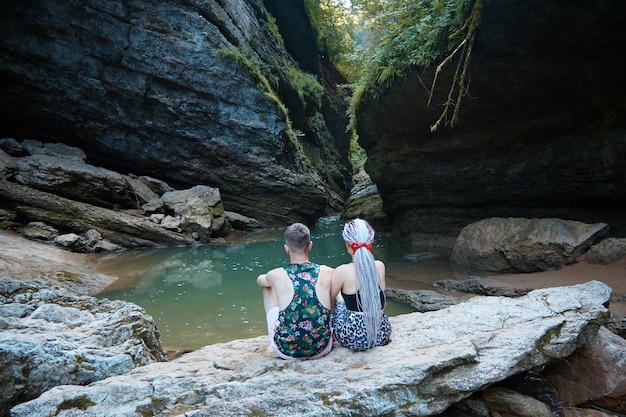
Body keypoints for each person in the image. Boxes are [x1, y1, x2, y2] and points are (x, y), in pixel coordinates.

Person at [257, 222, 334, 360]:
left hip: (286, 351)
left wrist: (269, 279)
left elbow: (260, 280)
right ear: (310, 245)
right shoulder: (328, 272)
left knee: (267, 287)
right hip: (321, 347)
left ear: (286, 249)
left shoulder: (276, 275)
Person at [331, 218, 392, 351]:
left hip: (353, 338)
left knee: (338, 299)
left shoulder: (342, 271)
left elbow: (328, 303)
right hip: (381, 334)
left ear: (347, 243)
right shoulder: (379, 266)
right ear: (371, 241)